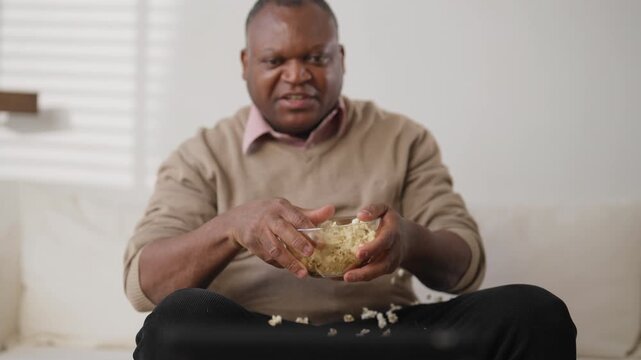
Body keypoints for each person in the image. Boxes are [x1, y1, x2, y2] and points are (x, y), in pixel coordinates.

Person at [123, 1, 577, 359]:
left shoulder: (402, 138)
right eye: (274, 59)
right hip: (255, 341)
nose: (296, 76)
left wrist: (409, 242)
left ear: (340, 57)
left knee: (534, 313)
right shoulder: (201, 155)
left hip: (387, 336)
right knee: (175, 323)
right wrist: (233, 226)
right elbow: (144, 282)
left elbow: (466, 266)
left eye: (315, 57)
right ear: (245, 63)